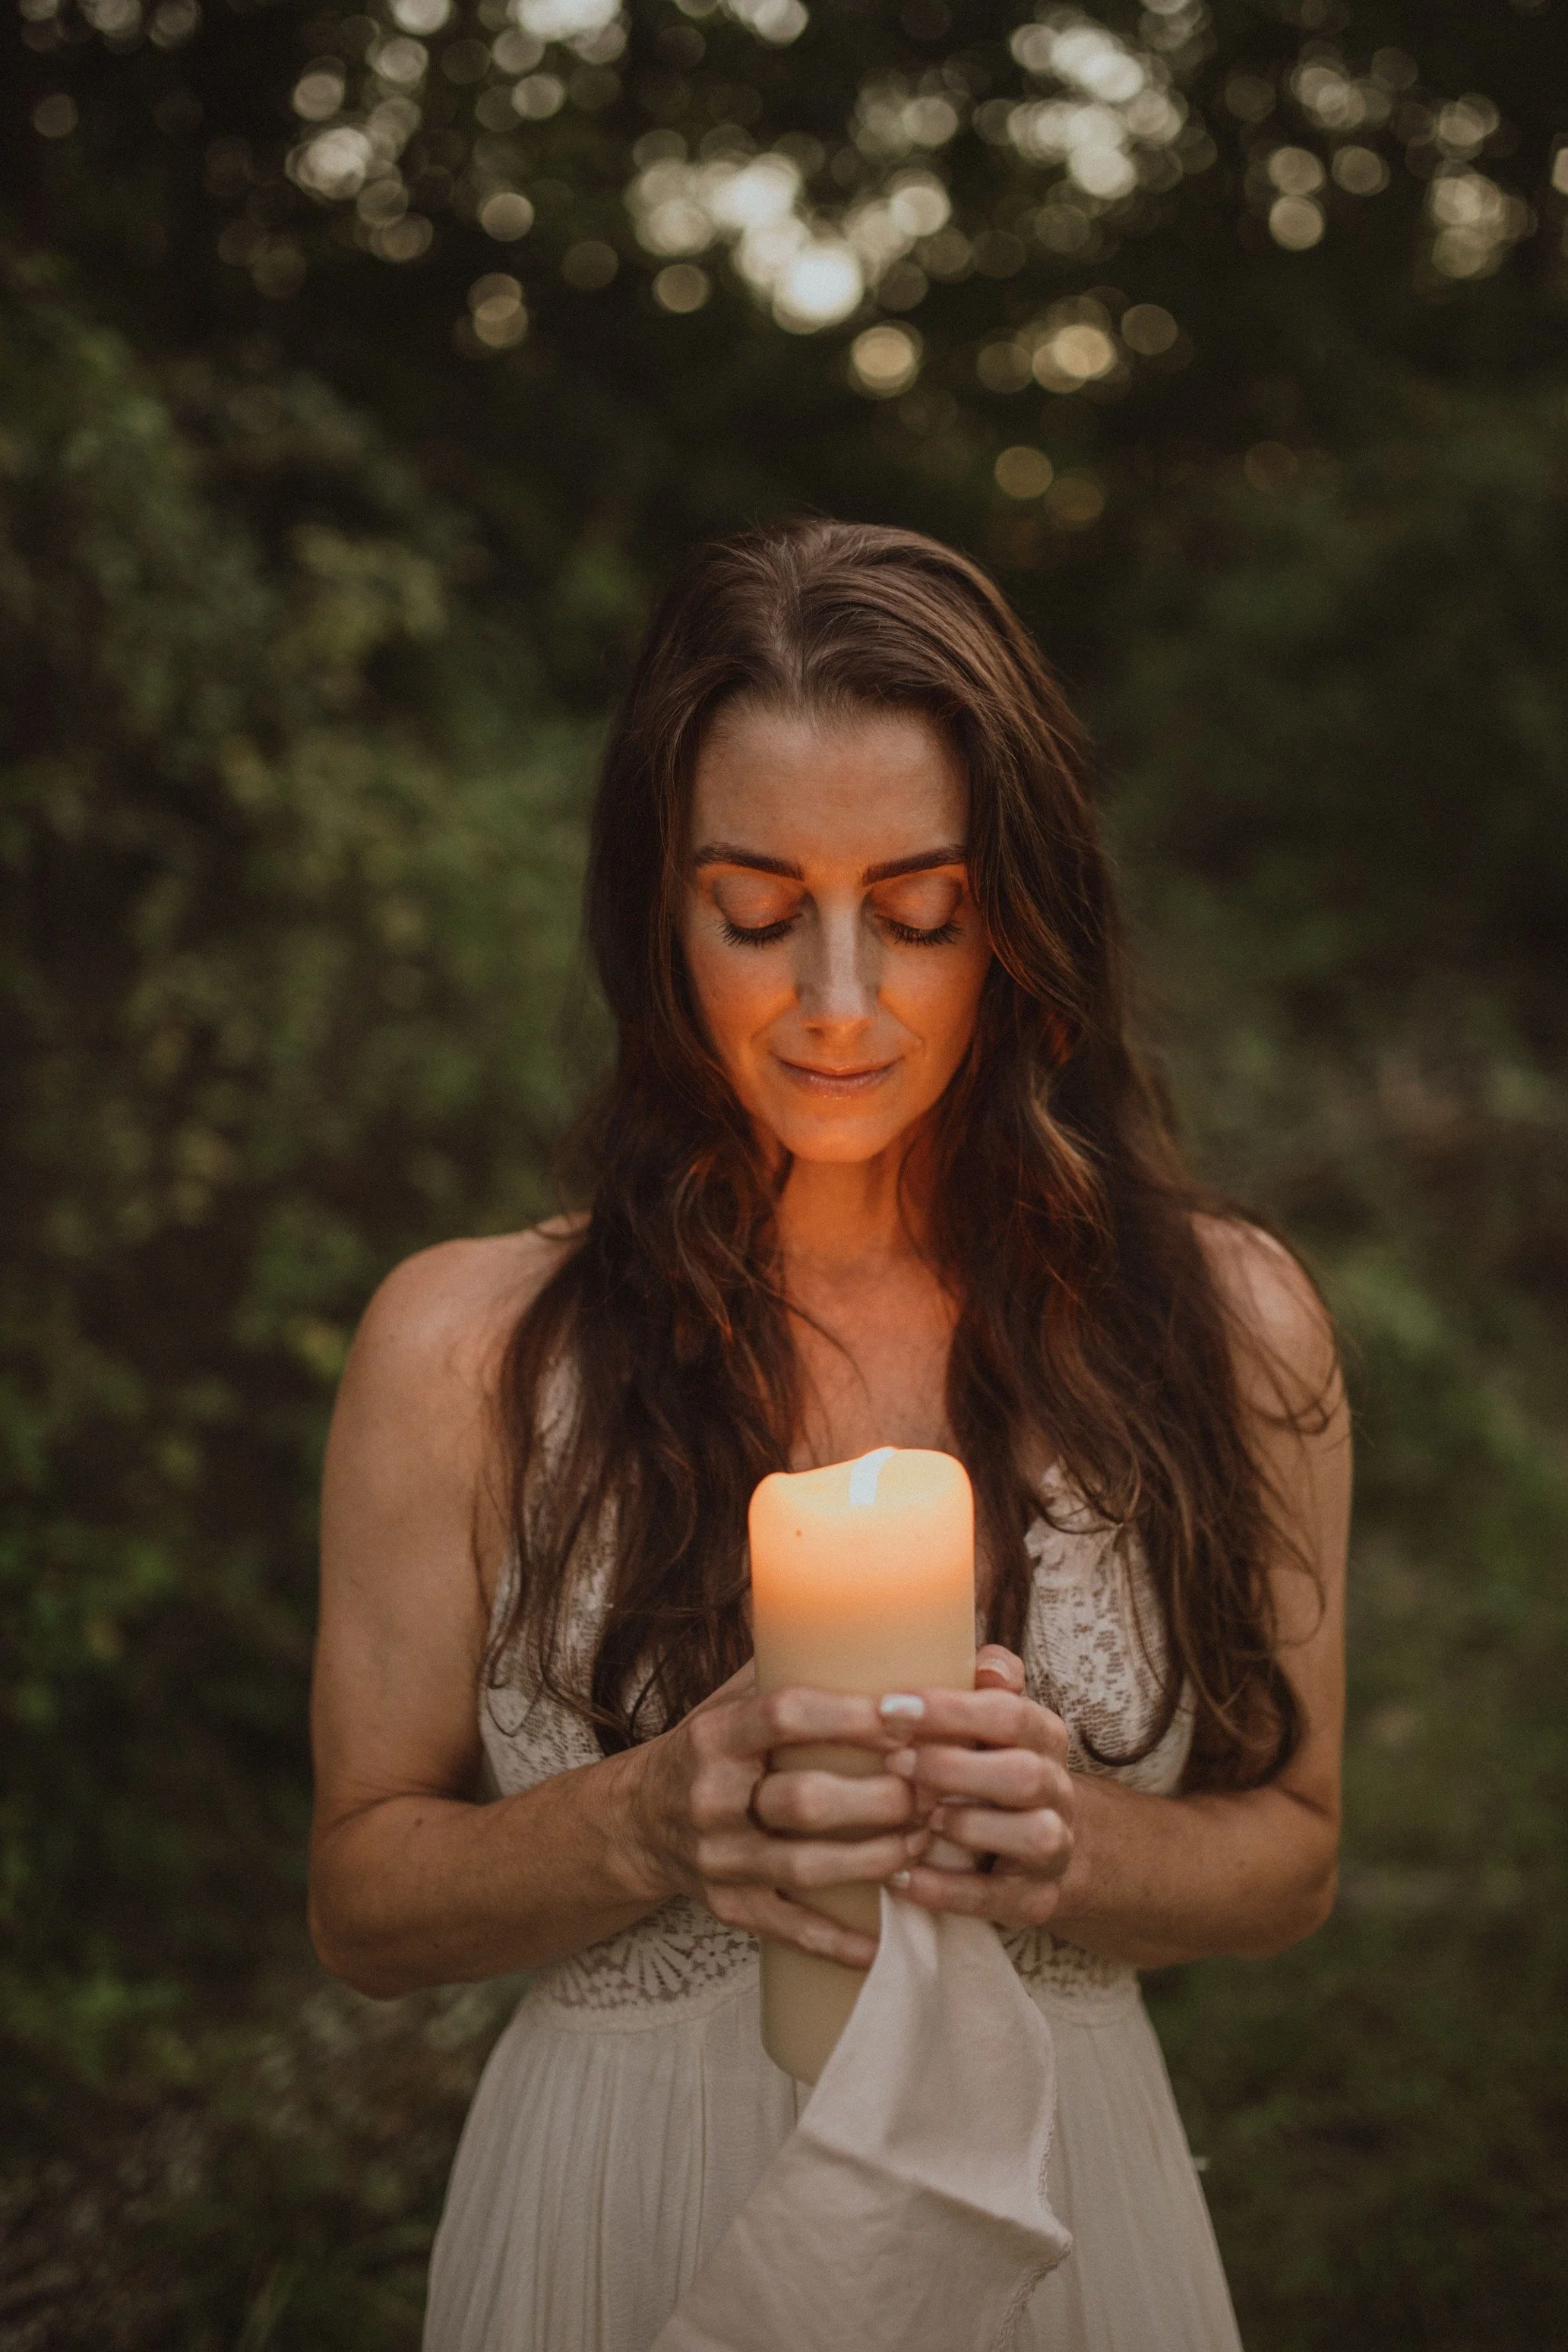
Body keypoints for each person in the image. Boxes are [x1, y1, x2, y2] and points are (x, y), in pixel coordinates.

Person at [308, 520, 1350, 2352]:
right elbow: (364, 1904)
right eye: (762, 909)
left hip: (1054, 2214)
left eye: (925, 911)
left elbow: (1295, 1854)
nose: (843, 1002)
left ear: (1022, 918)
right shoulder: (466, 1348)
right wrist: (643, 1820)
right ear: (660, 904)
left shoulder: (1220, 1325)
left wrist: (1072, 1846)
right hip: (616, 2207)